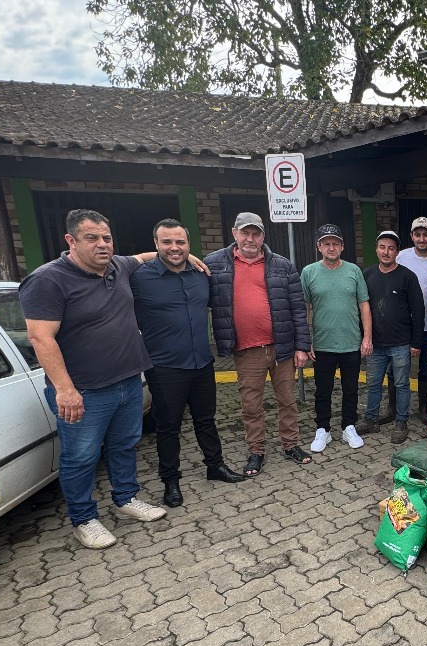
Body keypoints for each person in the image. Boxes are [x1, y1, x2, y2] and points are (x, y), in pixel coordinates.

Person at [19, 208, 168, 549]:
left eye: (106, 238)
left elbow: (142, 257)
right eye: (92, 238)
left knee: (124, 445)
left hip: (128, 381)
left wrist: (186, 255)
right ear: (71, 240)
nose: (102, 245)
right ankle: (84, 518)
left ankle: (126, 499)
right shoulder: (47, 281)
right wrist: (65, 389)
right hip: (84, 390)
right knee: (81, 457)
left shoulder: (117, 265)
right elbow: (41, 338)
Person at [130, 218, 245, 507]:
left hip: (202, 363)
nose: (174, 247)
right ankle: (170, 481)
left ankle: (215, 466)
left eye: (180, 242)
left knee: (206, 420)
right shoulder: (139, 278)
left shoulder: (200, 276)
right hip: (165, 367)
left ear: (189, 244)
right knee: (168, 428)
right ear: (155, 243)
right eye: (166, 241)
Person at [205, 211, 311, 476]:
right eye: (245, 233)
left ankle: (290, 445)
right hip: (246, 349)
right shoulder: (214, 264)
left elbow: (298, 309)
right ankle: (256, 451)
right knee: (251, 404)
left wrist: (301, 346)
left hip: (282, 346)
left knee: (287, 400)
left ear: (263, 236)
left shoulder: (282, 265)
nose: (250, 239)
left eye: (256, 233)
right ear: (234, 233)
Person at [301, 223, 372, 454]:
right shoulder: (309, 272)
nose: (331, 247)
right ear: (319, 247)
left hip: (351, 342)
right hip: (322, 344)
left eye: (335, 243)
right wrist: (305, 339)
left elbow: (364, 305)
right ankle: (323, 429)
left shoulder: (354, 271)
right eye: (326, 243)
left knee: (351, 388)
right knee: (323, 390)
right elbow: (304, 307)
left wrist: (367, 337)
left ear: (342, 246)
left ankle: (348, 426)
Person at [362, 231, 424, 444]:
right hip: (376, 344)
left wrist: (416, 342)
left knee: (401, 384)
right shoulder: (367, 274)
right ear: (376, 249)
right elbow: (361, 308)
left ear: (397, 252)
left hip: (401, 342)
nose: (386, 252)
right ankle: (371, 419)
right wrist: (364, 337)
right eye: (382, 247)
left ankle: (401, 421)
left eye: (390, 248)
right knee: (373, 383)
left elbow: (418, 311)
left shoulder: (407, 276)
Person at [396, 216, 427, 422]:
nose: (422, 239)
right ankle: (395, 408)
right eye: (418, 234)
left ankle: (423, 409)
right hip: (403, 325)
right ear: (412, 236)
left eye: (426, 234)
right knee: (398, 368)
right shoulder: (401, 257)